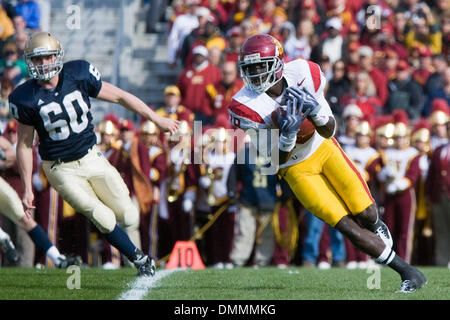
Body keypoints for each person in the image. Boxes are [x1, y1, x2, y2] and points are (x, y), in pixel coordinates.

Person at [228, 33, 427, 292]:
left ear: (277, 63)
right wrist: (288, 135)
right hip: (295, 169)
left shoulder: (303, 72)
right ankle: (408, 272)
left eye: (260, 65)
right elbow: (277, 159)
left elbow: (329, 130)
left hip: (324, 148)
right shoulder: (244, 105)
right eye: (249, 67)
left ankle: (376, 226)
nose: (255, 73)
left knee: (366, 213)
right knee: (344, 224)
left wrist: (315, 114)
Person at [9, 31, 179, 276]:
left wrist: (156, 118)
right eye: (38, 59)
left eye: (48, 57)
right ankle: (139, 259)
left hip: (91, 156)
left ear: (58, 56)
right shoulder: (24, 97)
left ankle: (135, 254)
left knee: (129, 215)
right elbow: (24, 145)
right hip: (60, 168)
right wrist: (26, 187)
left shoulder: (78, 73)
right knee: (101, 215)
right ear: (30, 62)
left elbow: (120, 96)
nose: (44, 64)